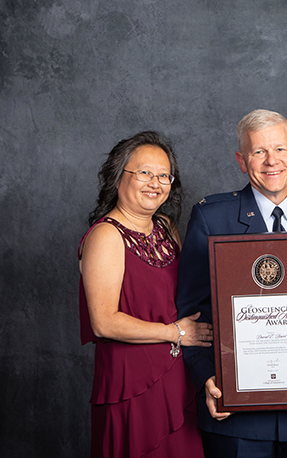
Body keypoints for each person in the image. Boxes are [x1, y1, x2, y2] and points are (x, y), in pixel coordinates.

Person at [175, 109, 287, 458]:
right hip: (236, 405)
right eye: (258, 152)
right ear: (242, 161)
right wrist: (206, 377)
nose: (272, 161)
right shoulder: (212, 218)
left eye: (281, 149)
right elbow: (191, 312)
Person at [78, 131, 213, 457]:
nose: (156, 182)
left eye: (164, 175)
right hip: (132, 383)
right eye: (144, 173)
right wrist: (176, 332)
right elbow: (104, 322)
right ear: (117, 177)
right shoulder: (106, 236)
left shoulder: (166, 227)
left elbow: (189, 296)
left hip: (178, 378)